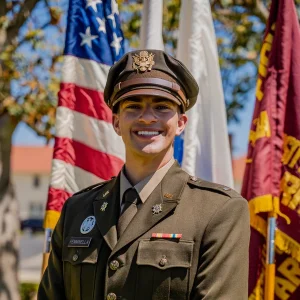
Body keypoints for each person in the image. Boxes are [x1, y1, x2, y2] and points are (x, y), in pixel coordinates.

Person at [38, 50, 250, 300]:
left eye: (162, 107)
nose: (147, 118)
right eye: (133, 106)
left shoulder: (219, 211)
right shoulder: (77, 210)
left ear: (181, 123)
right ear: (116, 122)